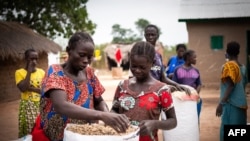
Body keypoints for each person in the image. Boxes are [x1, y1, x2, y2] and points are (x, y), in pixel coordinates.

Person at [37, 31, 130, 141]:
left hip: (84, 134)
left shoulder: (89, 73)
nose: (86, 61)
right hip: (59, 136)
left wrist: (107, 115)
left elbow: (98, 100)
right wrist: (101, 115)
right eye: (81, 55)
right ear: (69, 51)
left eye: (90, 57)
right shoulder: (55, 72)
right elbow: (61, 105)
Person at [111, 41, 177, 141]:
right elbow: (114, 110)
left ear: (152, 64)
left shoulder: (161, 90)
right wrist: (116, 118)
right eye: (134, 66)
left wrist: (155, 124)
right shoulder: (122, 86)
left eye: (142, 67)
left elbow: (173, 121)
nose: (137, 70)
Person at [143, 24, 190, 93]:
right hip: (144, 91)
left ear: (157, 36)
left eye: (153, 35)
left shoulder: (158, 55)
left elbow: (162, 77)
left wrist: (177, 85)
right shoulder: (140, 53)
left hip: (157, 92)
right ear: (145, 36)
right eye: (148, 35)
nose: (150, 37)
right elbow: (134, 77)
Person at [215, 41, 247, 141]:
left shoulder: (228, 66)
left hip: (231, 104)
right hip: (241, 104)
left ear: (227, 52)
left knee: (227, 132)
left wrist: (221, 103)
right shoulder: (243, 68)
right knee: (239, 132)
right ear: (238, 52)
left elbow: (231, 86)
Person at [15, 48, 45, 138]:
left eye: (36, 59)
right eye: (31, 59)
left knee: (39, 130)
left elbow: (43, 90)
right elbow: (23, 88)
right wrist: (29, 71)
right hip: (28, 106)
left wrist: (30, 88)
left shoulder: (41, 72)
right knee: (29, 131)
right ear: (26, 59)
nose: (34, 61)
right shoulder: (19, 72)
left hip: (40, 105)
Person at [172, 50, 202, 121]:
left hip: (193, 99)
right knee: (183, 120)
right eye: (194, 57)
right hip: (181, 99)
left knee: (194, 119)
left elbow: (199, 84)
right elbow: (174, 84)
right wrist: (183, 95)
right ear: (188, 57)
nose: (196, 59)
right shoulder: (178, 69)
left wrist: (195, 94)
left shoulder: (196, 70)